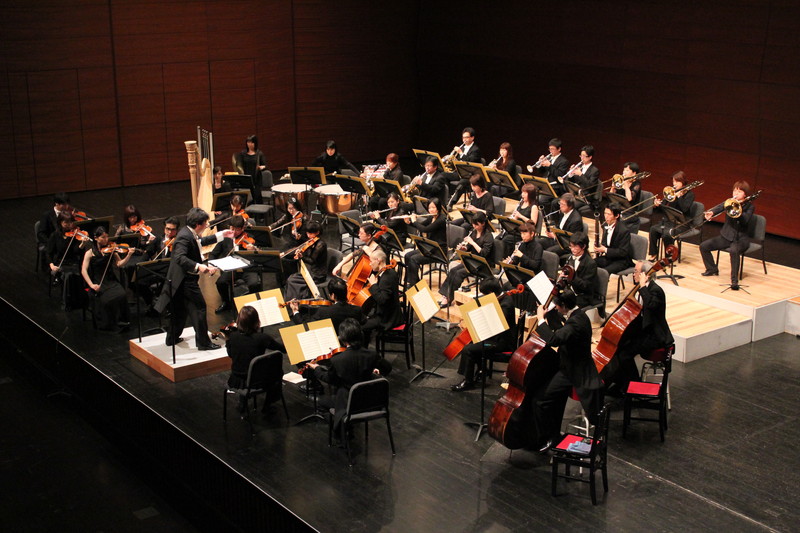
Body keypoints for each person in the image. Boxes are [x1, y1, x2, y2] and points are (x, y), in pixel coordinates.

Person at [153, 207, 233, 350]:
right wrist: (199, 266)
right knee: (200, 308)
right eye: (205, 223)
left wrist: (222, 235)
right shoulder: (184, 237)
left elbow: (200, 242)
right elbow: (180, 257)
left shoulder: (188, 232)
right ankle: (203, 343)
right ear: (198, 224)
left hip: (179, 280)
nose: (207, 225)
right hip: (186, 280)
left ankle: (172, 338)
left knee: (180, 310)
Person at [534, 290, 603, 452]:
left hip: (573, 372)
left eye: (558, 306)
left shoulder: (575, 323)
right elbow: (562, 331)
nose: (557, 308)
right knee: (555, 399)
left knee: (541, 401)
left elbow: (554, 339)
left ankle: (547, 438)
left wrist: (540, 319)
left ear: (564, 306)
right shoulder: (580, 315)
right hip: (571, 366)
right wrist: (550, 315)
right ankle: (554, 433)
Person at [307, 318, 392, 436]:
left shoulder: (338, 360)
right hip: (371, 402)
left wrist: (316, 368)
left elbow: (329, 379)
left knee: (322, 403)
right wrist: (377, 371)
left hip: (350, 404)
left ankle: (342, 428)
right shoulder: (372, 355)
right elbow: (387, 368)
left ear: (342, 339)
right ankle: (346, 425)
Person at [606, 260, 674, 395]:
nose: (633, 274)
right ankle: (623, 384)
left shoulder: (655, 291)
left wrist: (642, 287)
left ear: (645, 275)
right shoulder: (640, 289)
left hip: (655, 336)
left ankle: (632, 386)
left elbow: (651, 306)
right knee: (617, 349)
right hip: (644, 332)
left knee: (624, 355)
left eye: (636, 271)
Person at [450, 278, 518, 392]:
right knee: (473, 342)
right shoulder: (501, 298)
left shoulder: (506, 304)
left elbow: (497, 324)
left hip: (501, 342)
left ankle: (468, 382)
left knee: (468, 349)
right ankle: (481, 370)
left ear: (491, 293)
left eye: (485, 294)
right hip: (494, 337)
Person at [225, 305, 285, 413]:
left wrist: (227, 340)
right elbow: (282, 349)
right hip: (256, 381)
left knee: (245, 365)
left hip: (236, 379)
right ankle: (268, 405)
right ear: (256, 321)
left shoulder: (232, 336)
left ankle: (242, 403)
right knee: (278, 372)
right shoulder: (262, 338)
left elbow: (231, 354)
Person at [699, 180, 755, 290]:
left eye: (739, 191)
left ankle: (734, 281)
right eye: (735, 190)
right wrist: (712, 212)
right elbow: (720, 207)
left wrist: (737, 210)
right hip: (726, 236)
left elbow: (745, 220)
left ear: (745, 194)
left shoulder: (749, 207)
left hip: (741, 239)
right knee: (704, 246)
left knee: (734, 251)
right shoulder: (729, 202)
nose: (736, 193)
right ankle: (712, 269)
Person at [80, 227, 134, 331]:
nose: (106, 239)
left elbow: (119, 264)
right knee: (106, 300)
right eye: (103, 237)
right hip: (97, 281)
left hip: (110, 279)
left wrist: (129, 255)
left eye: (107, 237)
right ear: (96, 238)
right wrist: (91, 285)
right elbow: (83, 270)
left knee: (122, 294)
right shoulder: (90, 252)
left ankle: (122, 320)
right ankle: (109, 323)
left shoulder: (111, 249)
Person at [439, 212, 494, 307]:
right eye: (473, 224)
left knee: (459, 273)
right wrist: (463, 248)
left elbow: (484, 253)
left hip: (482, 264)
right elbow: (469, 248)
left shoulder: (488, 236)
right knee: (453, 270)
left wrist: (472, 242)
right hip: (472, 261)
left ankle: (449, 298)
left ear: (483, 223)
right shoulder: (473, 232)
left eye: (477, 224)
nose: (474, 226)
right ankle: (445, 295)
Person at [208, 216, 260, 314]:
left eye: (237, 229)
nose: (234, 232)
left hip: (247, 268)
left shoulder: (250, 237)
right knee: (220, 283)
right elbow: (213, 254)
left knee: (254, 283)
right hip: (232, 268)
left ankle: (252, 303)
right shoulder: (225, 238)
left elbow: (259, 255)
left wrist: (253, 250)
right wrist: (211, 265)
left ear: (243, 228)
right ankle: (226, 303)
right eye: (232, 229)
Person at [648, 171, 695, 260]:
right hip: (670, 220)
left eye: (677, 181)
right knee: (653, 229)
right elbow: (664, 206)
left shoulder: (690, 194)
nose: (674, 184)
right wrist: (657, 204)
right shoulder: (672, 192)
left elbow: (684, 209)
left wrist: (679, 197)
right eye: (673, 181)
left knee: (667, 234)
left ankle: (669, 257)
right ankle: (653, 254)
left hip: (683, 223)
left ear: (683, 182)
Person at [288, 277, 364, 332]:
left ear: (333, 296)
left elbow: (304, 326)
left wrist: (295, 311)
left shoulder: (324, 312)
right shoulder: (357, 310)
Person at [361, 249, 403, 347]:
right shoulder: (389, 272)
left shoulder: (386, 278)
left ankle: (363, 351)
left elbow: (382, 300)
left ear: (378, 260)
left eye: (371, 261)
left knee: (360, 327)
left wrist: (373, 285)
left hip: (387, 318)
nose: (370, 264)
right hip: (387, 312)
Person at [404, 198, 448, 288]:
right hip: (430, 248)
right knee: (407, 256)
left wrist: (414, 221)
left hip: (439, 251)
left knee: (414, 259)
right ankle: (414, 281)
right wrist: (409, 222)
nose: (431, 210)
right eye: (429, 208)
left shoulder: (441, 219)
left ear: (438, 208)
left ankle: (413, 285)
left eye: (433, 207)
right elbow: (422, 225)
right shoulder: (431, 217)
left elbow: (425, 229)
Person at [283, 221, 327, 301]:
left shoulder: (321, 245)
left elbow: (312, 261)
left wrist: (301, 256)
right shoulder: (311, 241)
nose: (308, 235)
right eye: (307, 233)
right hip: (310, 270)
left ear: (317, 232)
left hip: (318, 274)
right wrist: (299, 250)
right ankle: (291, 300)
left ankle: (298, 301)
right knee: (291, 278)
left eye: (310, 233)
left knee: (293, 281)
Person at [594, 203, 633, 275]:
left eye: (609, 214)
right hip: (609, 257)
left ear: (617, 216)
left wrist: (605, 250)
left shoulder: (624, 231)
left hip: (621, 261)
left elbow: (623, 252)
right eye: (605, 213)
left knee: (604, 272)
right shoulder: (605, 225)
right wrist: (599, 246)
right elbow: (605, 243)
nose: (606, 216)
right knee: (591, 264)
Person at [564, 232, 600, 310]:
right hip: (571, 291)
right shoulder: (570, 258)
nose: (572, 249)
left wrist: (572, 276)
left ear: (583, 246)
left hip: (583, 296)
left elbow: (586, 286)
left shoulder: (590, 264)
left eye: (575, 247)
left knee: (564, 304)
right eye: (571, 246)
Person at [445, 127, 483, 201]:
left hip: (470, 175)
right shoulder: (462, 147)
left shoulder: (476, 149)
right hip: (459, 173)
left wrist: (461, 153)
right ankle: (447, 197)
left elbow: (470, 162)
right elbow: (457, 161)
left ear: (472, 138)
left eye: (466, 137)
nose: (464, 139)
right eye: (463, 137)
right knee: (443, 175)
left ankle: (451, 202)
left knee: (462, 183)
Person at [501, 183, 539, 255]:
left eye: (525, 193)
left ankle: (507, 258)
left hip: (524, 232)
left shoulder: (533, 207)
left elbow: (533, 223)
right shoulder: (521, 203)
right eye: (522, 192)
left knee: (506, 240)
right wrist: (512, 219)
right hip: (516, 229)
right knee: (499, 237)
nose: (522, 195)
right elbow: (516, 217)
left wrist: (521, 216)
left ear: (531, 195)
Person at [608, 162, 643, 234]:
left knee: (617, 220)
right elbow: (611, 195)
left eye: (627, 170)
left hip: (630, 211)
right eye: (624, 170)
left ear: (634, 173)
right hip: (619, 208)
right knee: (607, 215)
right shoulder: (621, 182)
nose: (624, 172)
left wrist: (626, 186)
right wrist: (613, 187)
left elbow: (629, 199)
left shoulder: (636, 184)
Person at [233, 134, 268, 204]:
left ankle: (259, 210)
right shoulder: (243, 153)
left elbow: (265, 165)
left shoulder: (259, 154)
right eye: (248, 142)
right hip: (246, 179)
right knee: (247, 199)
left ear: (255, 143)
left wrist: (262, 167)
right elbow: (239, 165)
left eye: (252, 142)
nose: (250, 144)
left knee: (257, 198)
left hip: (256, 179)